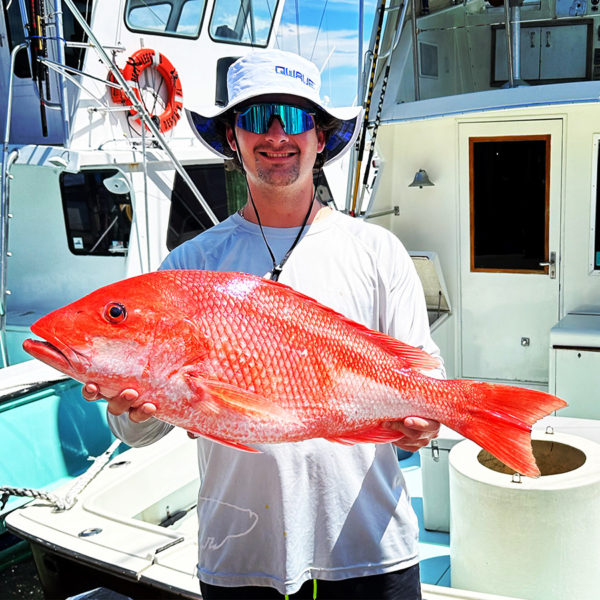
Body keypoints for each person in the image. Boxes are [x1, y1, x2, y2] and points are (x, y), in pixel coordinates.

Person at [84, 49, 443, 600]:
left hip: (370, 551)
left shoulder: (377, 251)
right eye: (256, 118)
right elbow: (144, 430)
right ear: (233, 138)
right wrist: (130, 414)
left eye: (295, 117)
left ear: (320, 136)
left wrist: (425, 423)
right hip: (241, 556)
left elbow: (423, 380)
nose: (277, 135)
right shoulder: (189, 266)